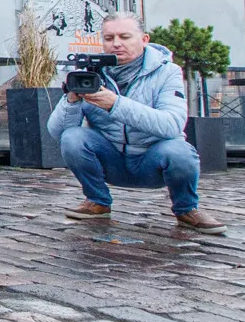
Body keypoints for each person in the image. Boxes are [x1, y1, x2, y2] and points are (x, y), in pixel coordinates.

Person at [50, 12, 225, 233]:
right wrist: (71, 100)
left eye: (125, 37)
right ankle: (97, 201)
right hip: (112, 159)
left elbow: (172, 125)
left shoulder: (167, 72)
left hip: (152, 161)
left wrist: (115, 104)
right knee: (73, 137)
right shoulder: (91, 74)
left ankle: (186, 209)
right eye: (109, 38)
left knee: (180, 151)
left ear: (144, 39)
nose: (116, 44)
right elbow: (58, 133)